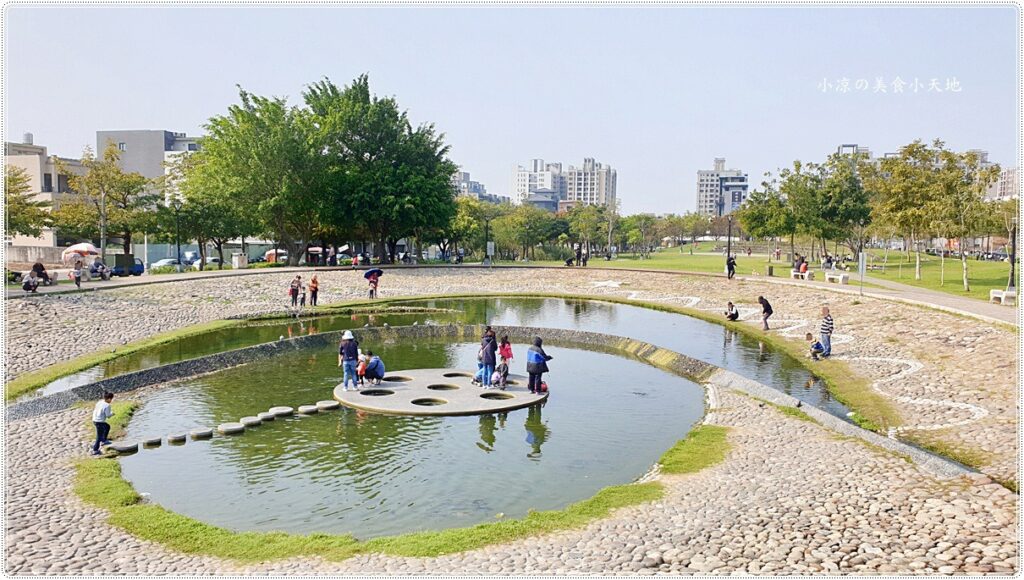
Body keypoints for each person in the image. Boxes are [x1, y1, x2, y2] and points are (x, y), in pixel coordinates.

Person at [91, 391, 115, 455]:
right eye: (111, 399)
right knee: (99, 436)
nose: (111, 400)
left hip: (94, 419)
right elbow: (108, 416)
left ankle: (104, 440)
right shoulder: (107, 405)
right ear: (109, 399)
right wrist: (112, 414)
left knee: (107, 426)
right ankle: (95, 450)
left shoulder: (100, 402)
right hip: (99, 422)